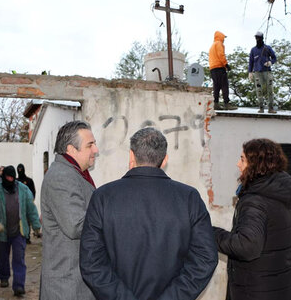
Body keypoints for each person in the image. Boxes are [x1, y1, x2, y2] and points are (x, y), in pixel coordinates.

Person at [80, 127, 218, 300]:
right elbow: (205, 258)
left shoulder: (103, 196)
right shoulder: (189, 198)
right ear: (165, 159)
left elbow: (91, 263)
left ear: (131, 156)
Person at [213, 138, 291, 300]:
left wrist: (211, 233)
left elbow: (247, 246)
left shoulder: (255, 200)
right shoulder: (282, 194)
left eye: (242, 159)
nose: (238, 164)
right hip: (284, 289)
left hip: (255, 292)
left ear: (256, 164)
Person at [39, 120, 98, 300]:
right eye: (90, 145)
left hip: (74, 279)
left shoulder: (73, 173)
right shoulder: (62, 177)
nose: (96, 150)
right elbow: (75, 226)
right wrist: (110, 215)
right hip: (66, 284)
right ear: (72, 149)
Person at [0, 165, 41, 297]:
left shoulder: (23, 189)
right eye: (7, 177)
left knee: (19, 258)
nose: (10, 179)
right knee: (2, 257)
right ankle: (3, 276)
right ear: (3, 178)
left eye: (12, 177)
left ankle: (19, 285)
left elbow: (31, 209)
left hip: (19, 231)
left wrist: (36, 226)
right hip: (2, 232)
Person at [248, 31, 277, 113]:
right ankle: (261, 107)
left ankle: (270, 108)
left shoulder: (267, 48)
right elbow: (251, 62)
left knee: (270, 90)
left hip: (267, 72)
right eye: (256, 38)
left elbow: (274, 58)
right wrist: (250, 72)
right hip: (257, 72)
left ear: (262, 38)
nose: (257, 39)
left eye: (259, 38)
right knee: (259, 90)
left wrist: (270, 62)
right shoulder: (253, 50)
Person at [209, 30, 237, 111]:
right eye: (223, 38)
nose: (224, 39)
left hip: (213, 69)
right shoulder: (219, 44)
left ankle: (216, 103)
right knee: (224, 86)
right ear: (220, 37)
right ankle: (226, 103)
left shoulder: (212, 45)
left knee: (216, 86)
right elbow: (221, 55)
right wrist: (226, 64)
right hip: (219, 68)